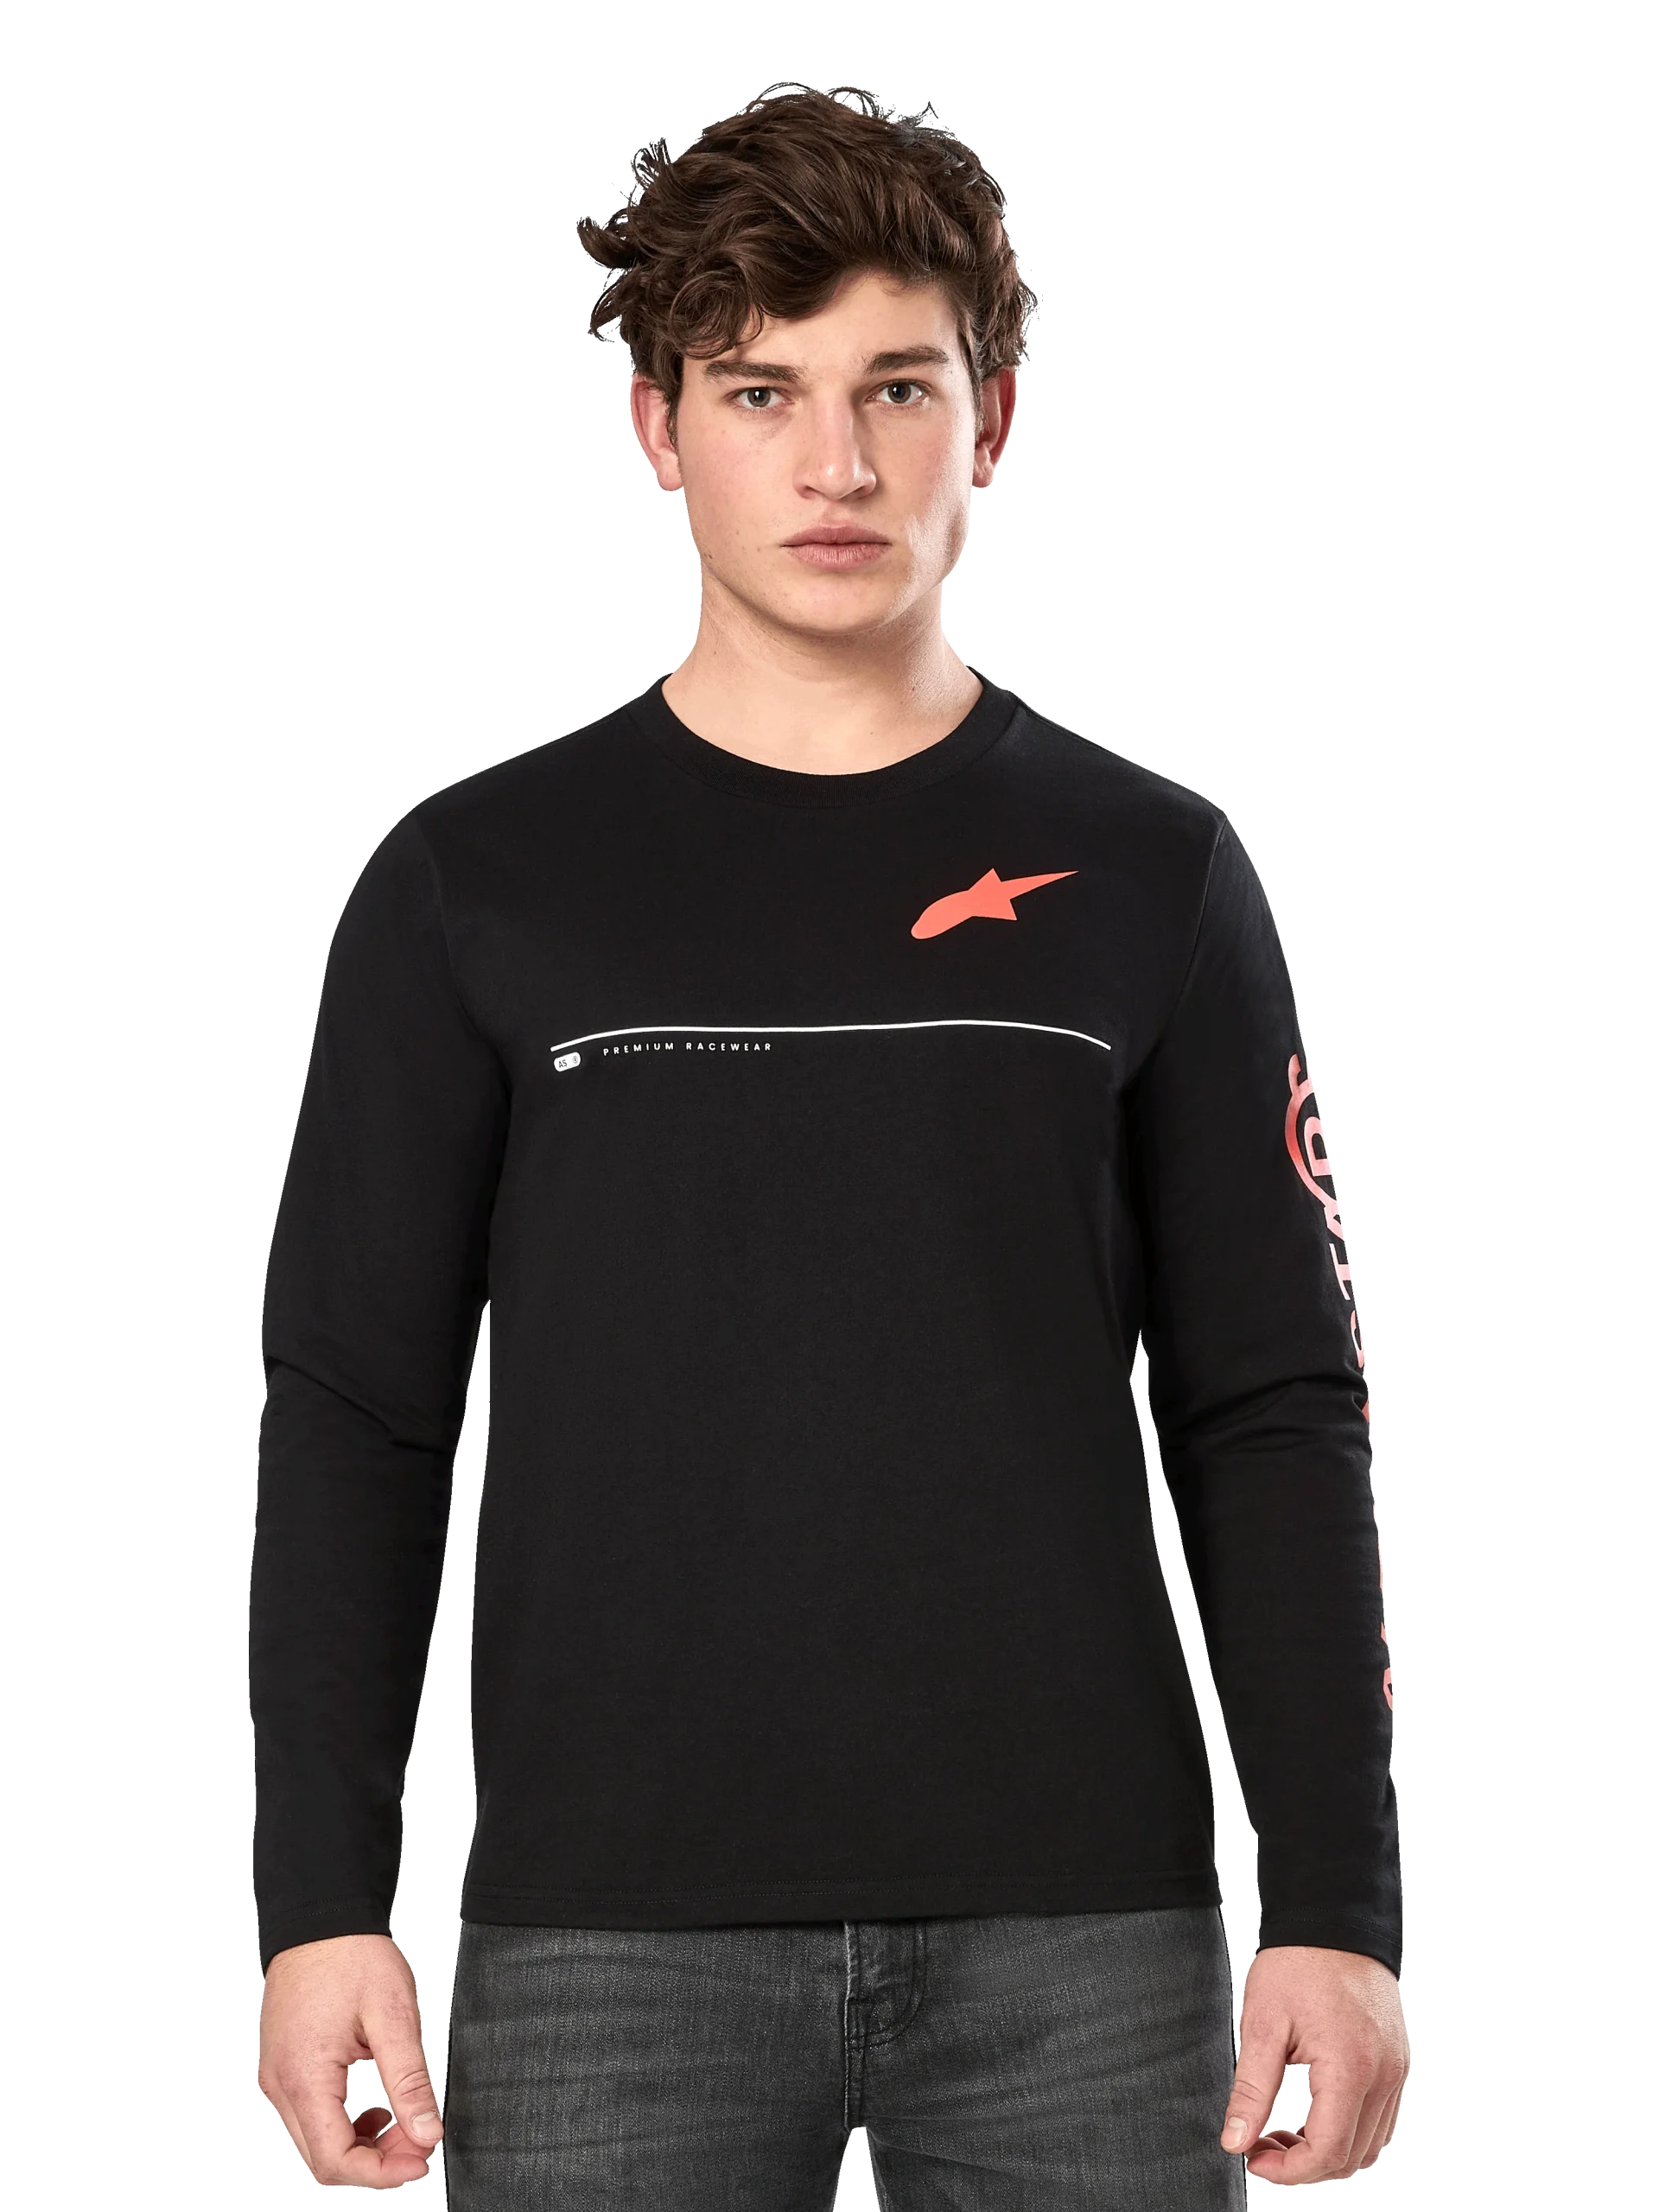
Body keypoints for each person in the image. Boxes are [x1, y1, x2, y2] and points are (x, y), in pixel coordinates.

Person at [252, 78, 1406, 2206]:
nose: (839, 463)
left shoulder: (1158, 867)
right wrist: (321, 1902)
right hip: (604, 1945)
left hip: (1090, 1942)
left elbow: (1275, 1404)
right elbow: (357, 1413)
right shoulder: (473, 878)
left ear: (996, 417)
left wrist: (1337, 1903)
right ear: (658, 427)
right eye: (763, 390)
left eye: (899, 385)